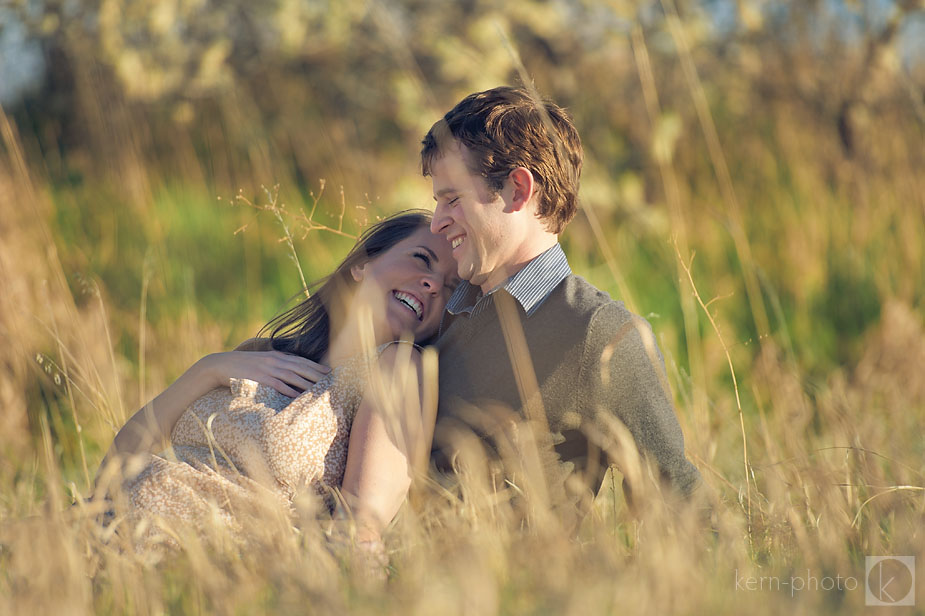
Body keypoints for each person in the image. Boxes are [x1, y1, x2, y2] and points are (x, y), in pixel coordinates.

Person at [95, 210, 459, 550]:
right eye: (422, 259)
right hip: (96, 536)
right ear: (363, 265)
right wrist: (207, 369)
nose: (432, 284)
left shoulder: (399, 368)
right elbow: (116, 464)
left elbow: (361, 526)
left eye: (450, 287)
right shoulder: (260, 353)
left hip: (190, 571)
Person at [421, 86, 703, 525]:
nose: (437, 223)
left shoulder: (598, 333)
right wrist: (268, 360)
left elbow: (683, 507)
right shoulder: (437, 296)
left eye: (452, 199)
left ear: (517, 190)